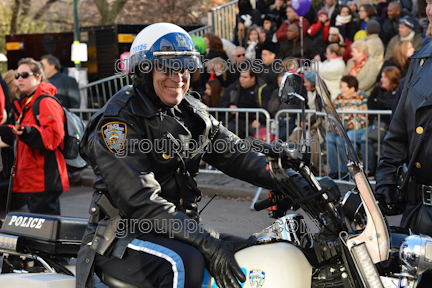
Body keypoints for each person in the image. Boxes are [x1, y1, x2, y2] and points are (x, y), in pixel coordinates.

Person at [76, 23, 310, 288]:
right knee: (184, 263)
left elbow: (236, 155)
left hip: (176, 229)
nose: (178, 77)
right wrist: (205, 242)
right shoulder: (119, 121)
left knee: (251, 252)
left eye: (185, 68)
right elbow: (141, 202)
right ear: (144, 70)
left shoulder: (190, 112)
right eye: (167, 68)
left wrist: (297, 183)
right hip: (124, 235)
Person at [375, 0, 432, 241]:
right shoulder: (423, 58)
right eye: (429, 2)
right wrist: (387, 177)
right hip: (420, 213)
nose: (430, 11)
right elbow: (399, 128)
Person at [0, 58, 69, 215]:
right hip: (33, 178)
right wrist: (10, 130)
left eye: (24, 75)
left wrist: (27, 132)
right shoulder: (30, 102)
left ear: (38, 77)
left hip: (43, 177)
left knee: (45, 229)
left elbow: (53, 137)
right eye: (17, 76)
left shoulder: (45, 102)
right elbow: (24, 132)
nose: (19, 80)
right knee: (40, 229)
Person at [361, 66, 401, 177]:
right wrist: (385, 105)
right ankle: (369, 171)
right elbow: (371, 104)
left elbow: (395, 105)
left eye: (384, 77)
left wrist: (380, 102)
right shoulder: (377, 89)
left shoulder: (400, 89)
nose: (381, 79)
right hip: (376, 123)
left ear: (392, 78)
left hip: (391, 125)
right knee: (365, 140)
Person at [326, 75, 368, 179]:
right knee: (329, 138)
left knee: (345, 138)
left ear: (352, 88)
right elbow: (331, 115)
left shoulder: (361, 98)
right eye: (341, 87)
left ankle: (345, 171)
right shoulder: (339, 98)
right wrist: (334, 127)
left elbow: (363, 118)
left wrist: (348, 126)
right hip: (340, 129)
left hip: (356, 129)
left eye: (344, 87)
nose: (341, 90)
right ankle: (334, 171)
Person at [219, 66, 270, 139]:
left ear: (253, 78)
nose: (241, 79)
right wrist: (229, 106)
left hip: (253, 121)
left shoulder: (263, 88)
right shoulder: (235, 86)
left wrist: (259, 119)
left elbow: (266, 105)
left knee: (261, 136)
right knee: (224, 135)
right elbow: (222, 101)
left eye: (245, 77)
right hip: (236, 120)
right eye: (241, 76)